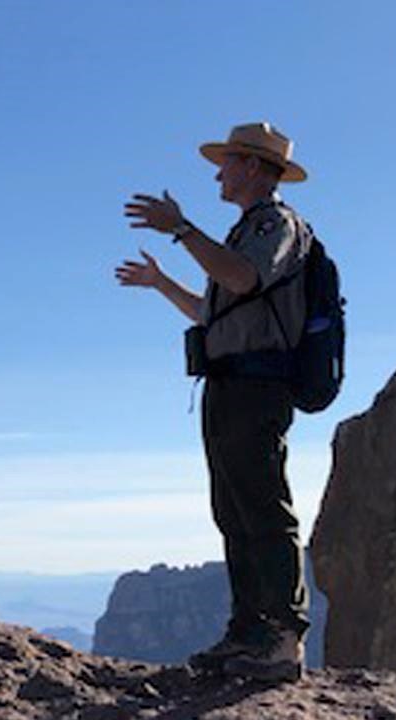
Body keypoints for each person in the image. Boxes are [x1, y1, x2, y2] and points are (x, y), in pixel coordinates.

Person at [115, 122, 313, 682]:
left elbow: (245, 281)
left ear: (252, 166)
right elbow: (213, 314)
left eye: (226, 163)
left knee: (263, 506)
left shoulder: (276, 224)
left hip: (257, 386)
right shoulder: (244, 229)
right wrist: (160, 283)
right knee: (233, 508)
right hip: (229, 384)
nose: (217, 173)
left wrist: (179, 227)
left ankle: (281, 638)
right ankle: (247, 631)